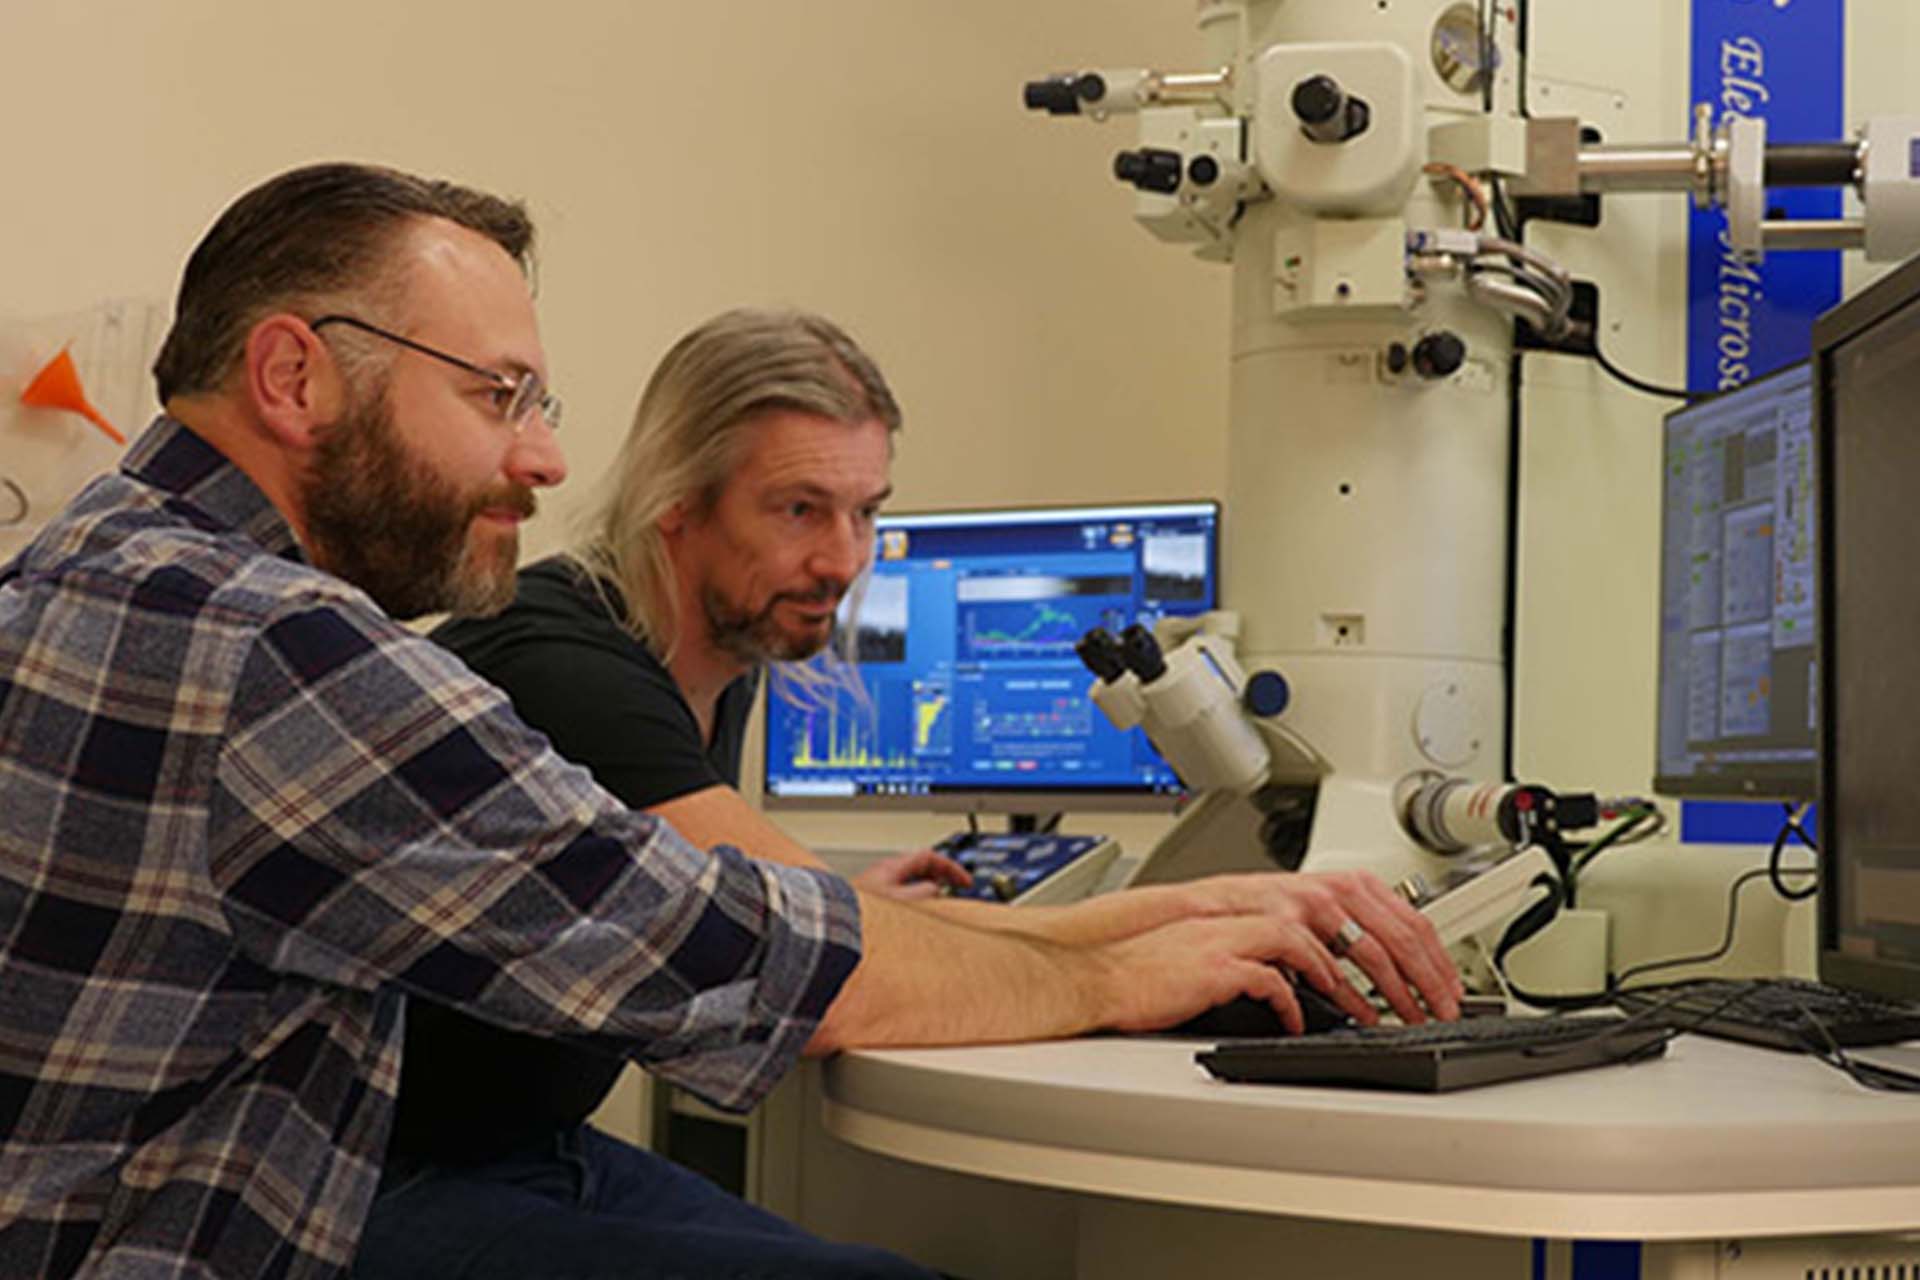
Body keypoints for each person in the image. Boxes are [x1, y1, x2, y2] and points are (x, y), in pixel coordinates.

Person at [0, 164, 1456, 1280]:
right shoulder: (284, 650)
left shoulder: (90, 567)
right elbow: (761, 959)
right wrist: (1138, 965)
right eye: (496, 394)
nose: (543, 451)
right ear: (294, 375)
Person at [362, 307, 1468, 1276]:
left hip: (522, 1151)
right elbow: (821, 969)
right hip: (375, 1184)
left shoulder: (712, 656)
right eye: (800, 509)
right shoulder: (566, 662)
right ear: (677, 503)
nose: (846, 560)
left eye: (864, 511)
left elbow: (776, 909)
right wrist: (1143, 954)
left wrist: (1192, 913)